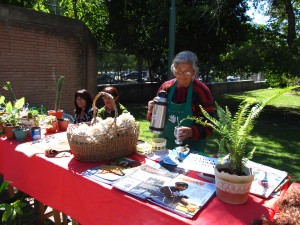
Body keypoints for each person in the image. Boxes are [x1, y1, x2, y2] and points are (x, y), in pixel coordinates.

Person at [147, 51, 214, 152]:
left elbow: (209, 125)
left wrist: (191, 132)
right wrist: (152, 111)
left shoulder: (201, 91)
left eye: (187, 72)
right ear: (174, 71)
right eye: (178, 72)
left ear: (194, 72)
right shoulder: (166, 88)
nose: (182, 76)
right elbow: (154, 121)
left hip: (192, 149)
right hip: (165, 146)